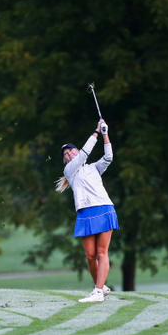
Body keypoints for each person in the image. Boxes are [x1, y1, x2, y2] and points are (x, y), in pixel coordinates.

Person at [56, 119, 119, 303]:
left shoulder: (93, 168)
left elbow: (108, 158)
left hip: (103, 208)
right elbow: (83, 155)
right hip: (85, 213)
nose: (68, 155)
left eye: (71, 151)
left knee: (101, 252)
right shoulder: (70, 170)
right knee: (90, 256)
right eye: (65, 154)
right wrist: (96, 132)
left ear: (76, 150)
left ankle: (98, 291)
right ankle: (102, 287)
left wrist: (105, 133)